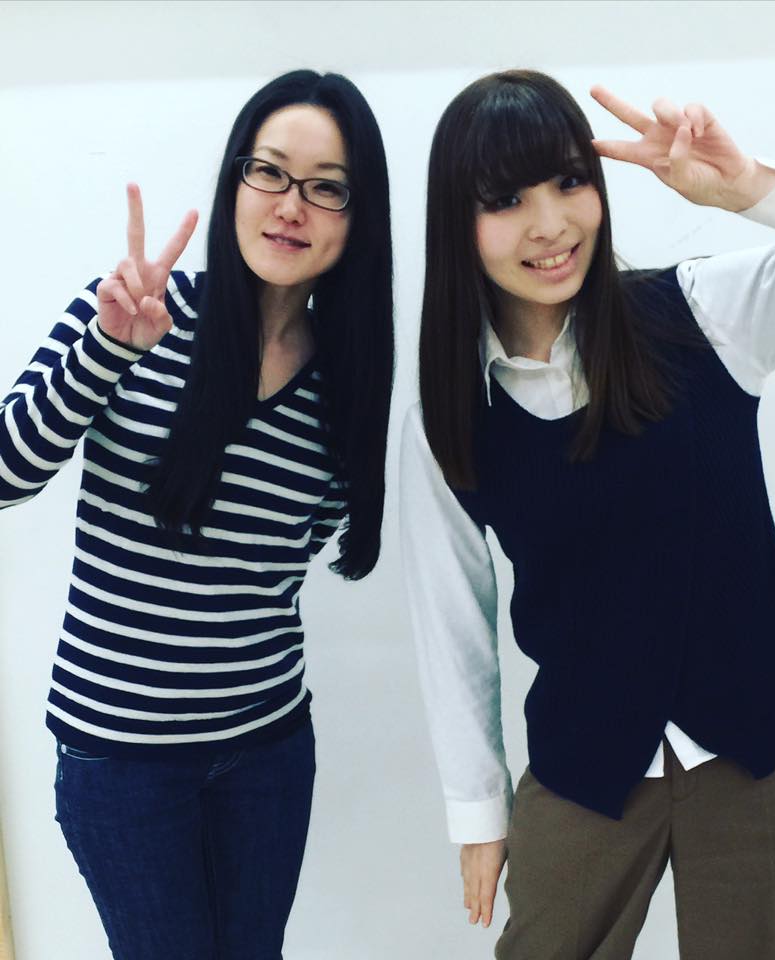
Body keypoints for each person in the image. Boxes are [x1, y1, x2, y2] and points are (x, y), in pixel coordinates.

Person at [400, 69, 775, 960]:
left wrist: (748, 188)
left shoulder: (703, 310)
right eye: (505, 200)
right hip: (587, 766)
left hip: (766, 748)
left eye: (570, 181)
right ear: (454, 223)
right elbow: (451, 622)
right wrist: (478, 812)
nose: (550, 224)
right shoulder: (448, 410)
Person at [0, 70, 393, 959]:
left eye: (327, 187)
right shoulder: (131, 310)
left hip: (266, 749)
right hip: (121, 761)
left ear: (357, 216)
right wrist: (106, 352)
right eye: (270, 171)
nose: (290, 205)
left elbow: (287, 561)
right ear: (234, 180)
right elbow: (7, 473)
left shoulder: (345, 381)